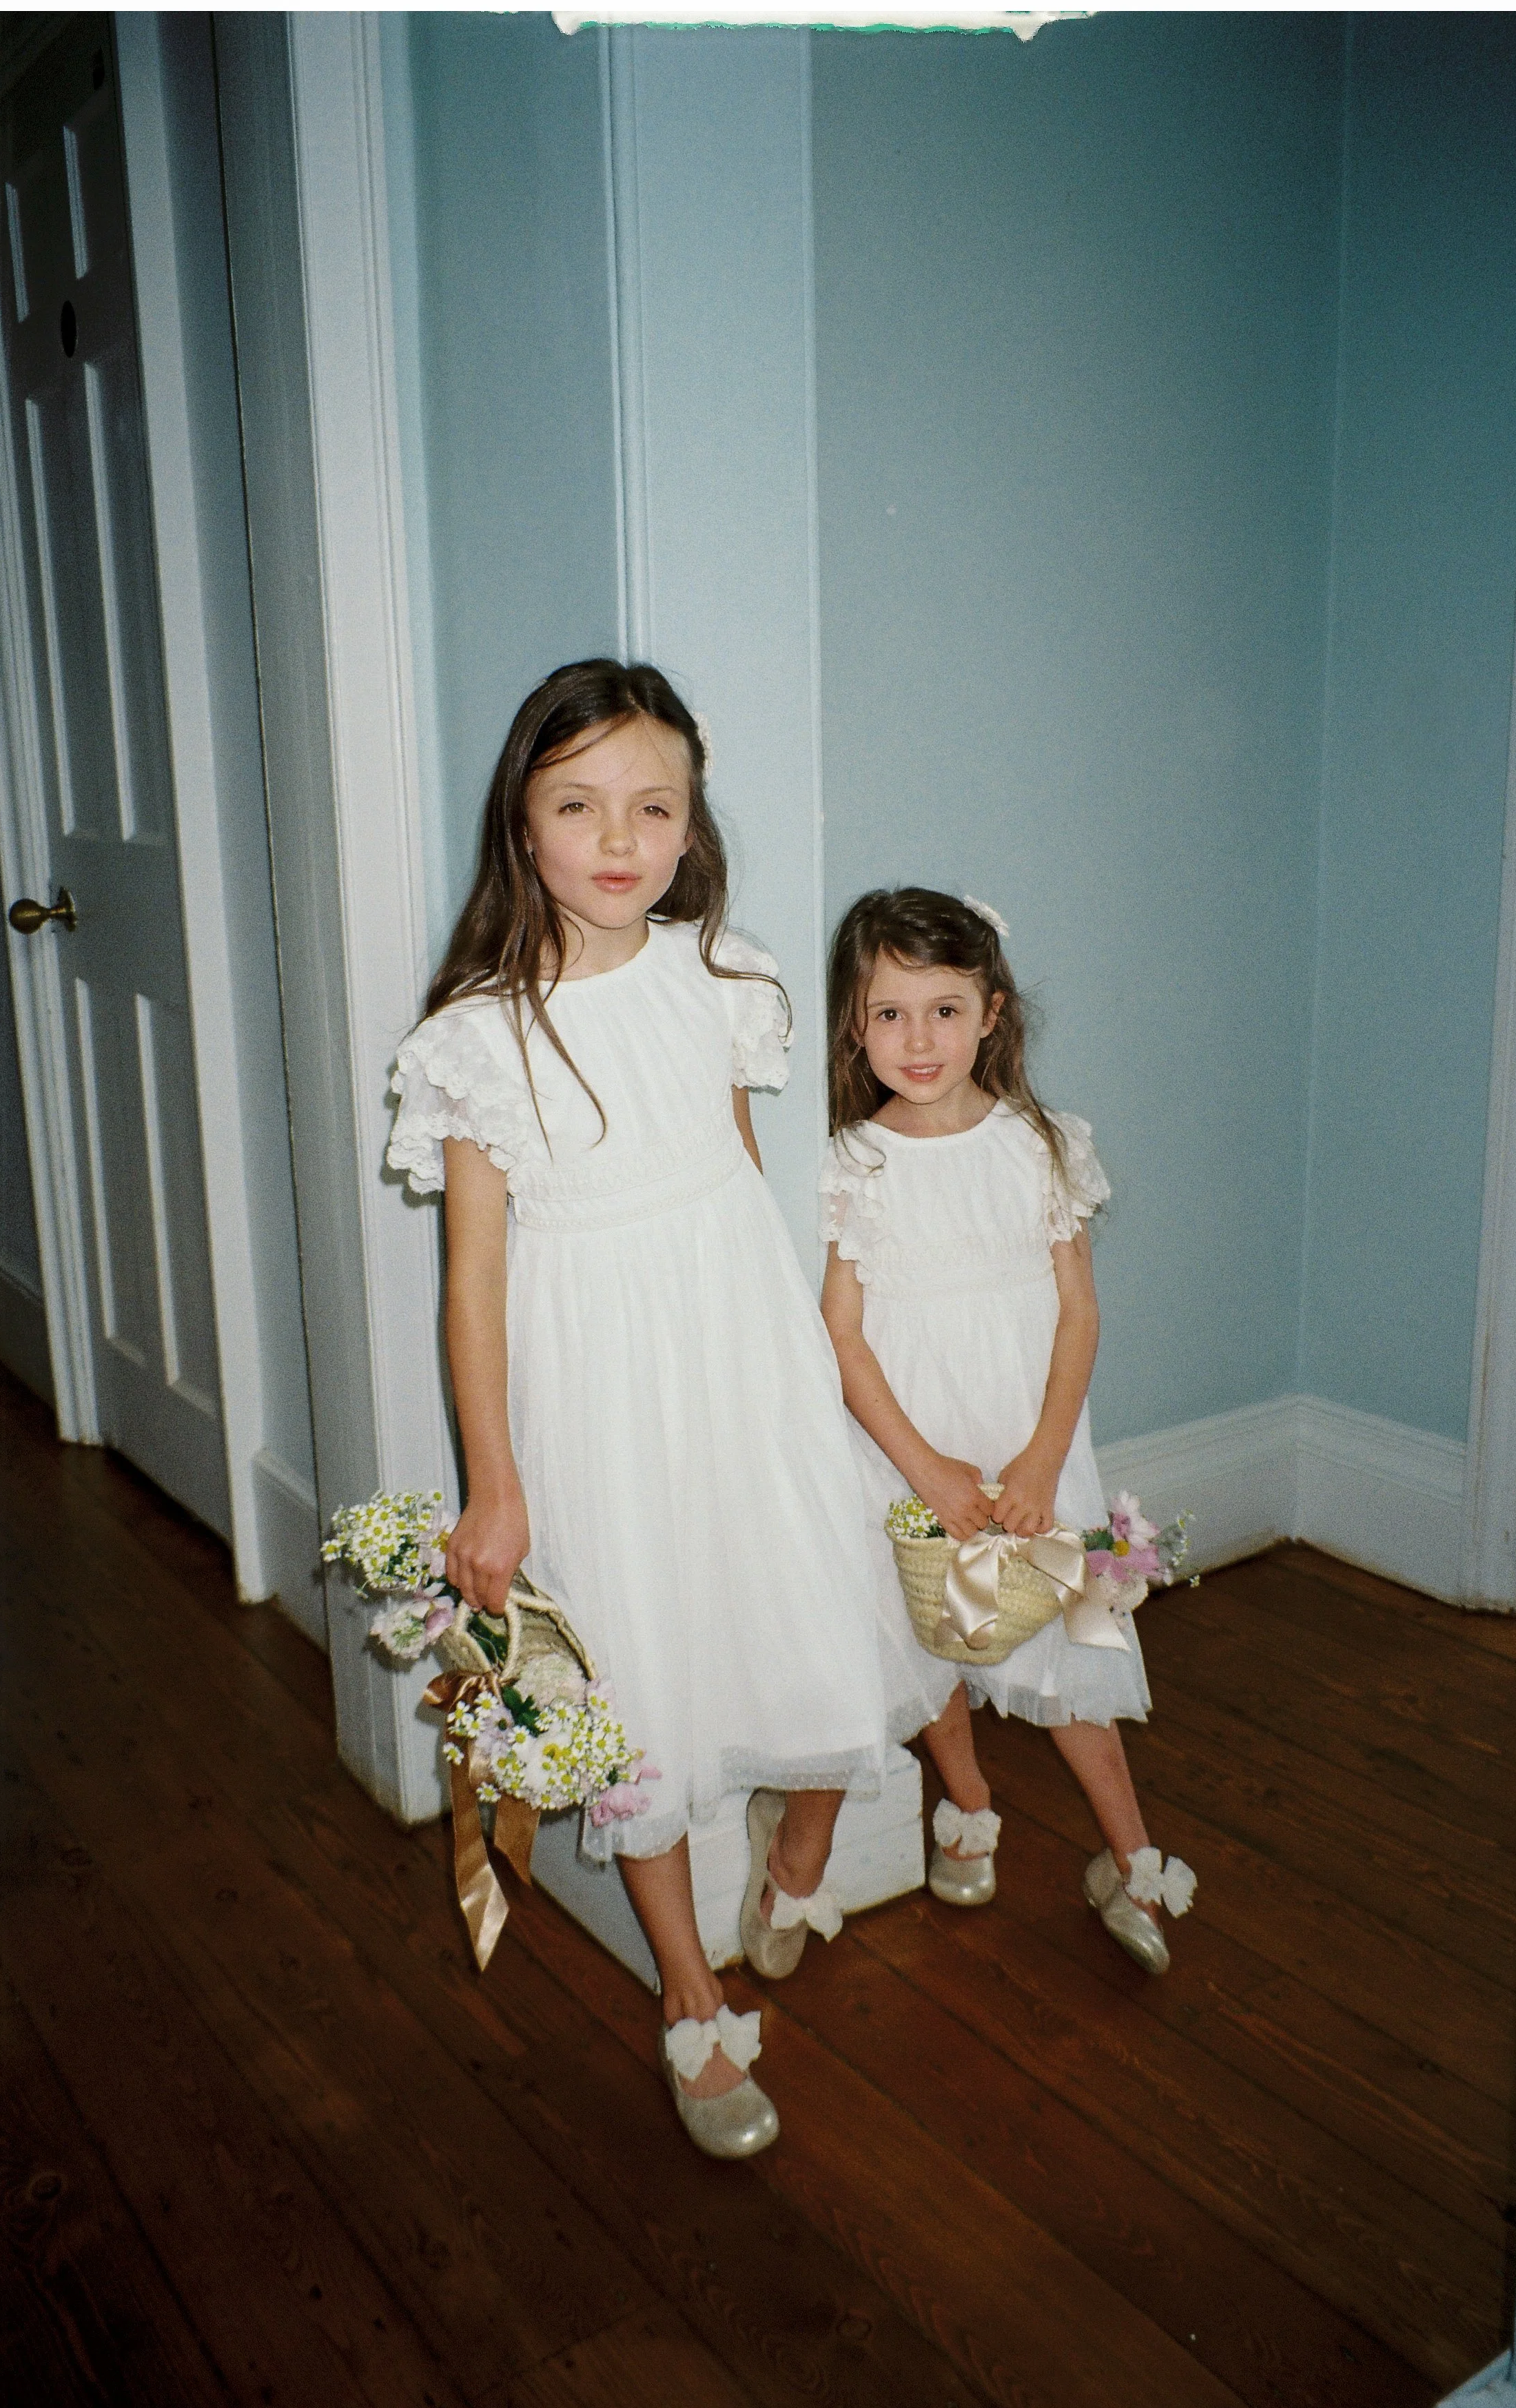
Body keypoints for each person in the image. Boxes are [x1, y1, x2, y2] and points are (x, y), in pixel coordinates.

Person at [387, 660, 888, 2156]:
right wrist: (495, 1482)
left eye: (651, 805)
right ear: (523, 827)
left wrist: (803, 1371)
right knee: (645, 1684)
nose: (618, 836)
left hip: (741, 1360)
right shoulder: (479, 1033)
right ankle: (688, 1993)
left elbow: (738, 1182)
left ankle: (796, 1868)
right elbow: (471, 1281)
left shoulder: (719, 979)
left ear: (689, 827)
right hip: (596, 1392)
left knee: (811, 1609)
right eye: (578, 803)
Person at [819, 888, 1196, 1974]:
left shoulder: (1039, 1144)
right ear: (856, 1024)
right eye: (890, 1014)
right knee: (931, 1631)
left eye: (944, 1009)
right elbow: (843, 1335)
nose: (919, 1039)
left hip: (1029, 1437)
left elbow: (1078, 1312)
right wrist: (926, 1467)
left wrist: (1039, 1458)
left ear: (992, 1012)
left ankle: (1132, 1859)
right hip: (907, 1445)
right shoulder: (853, 1162)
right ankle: (969, 1808)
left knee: (1065, 1647)